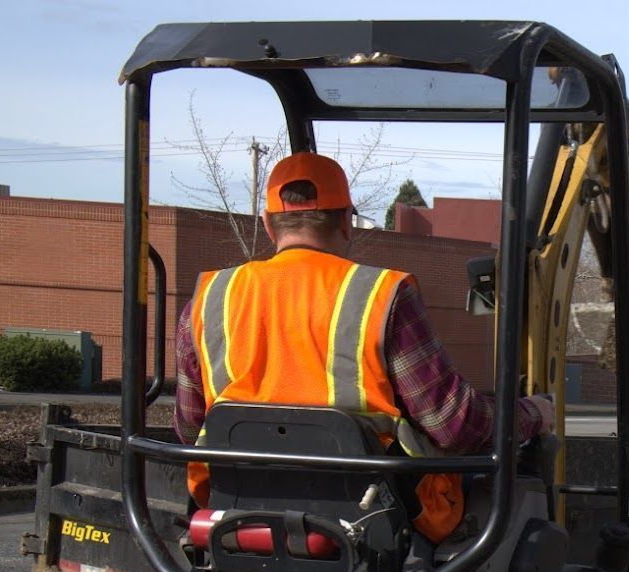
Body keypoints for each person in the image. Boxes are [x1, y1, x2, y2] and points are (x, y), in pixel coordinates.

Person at [174, 151, 554, 544]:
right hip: (376, 527)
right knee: (516, 496)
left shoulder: (209, 299)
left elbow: (189, 428)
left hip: (235, 515)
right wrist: (534, 414)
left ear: (269, 225)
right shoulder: (381, 296)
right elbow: (453, 425)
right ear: (345, 221)